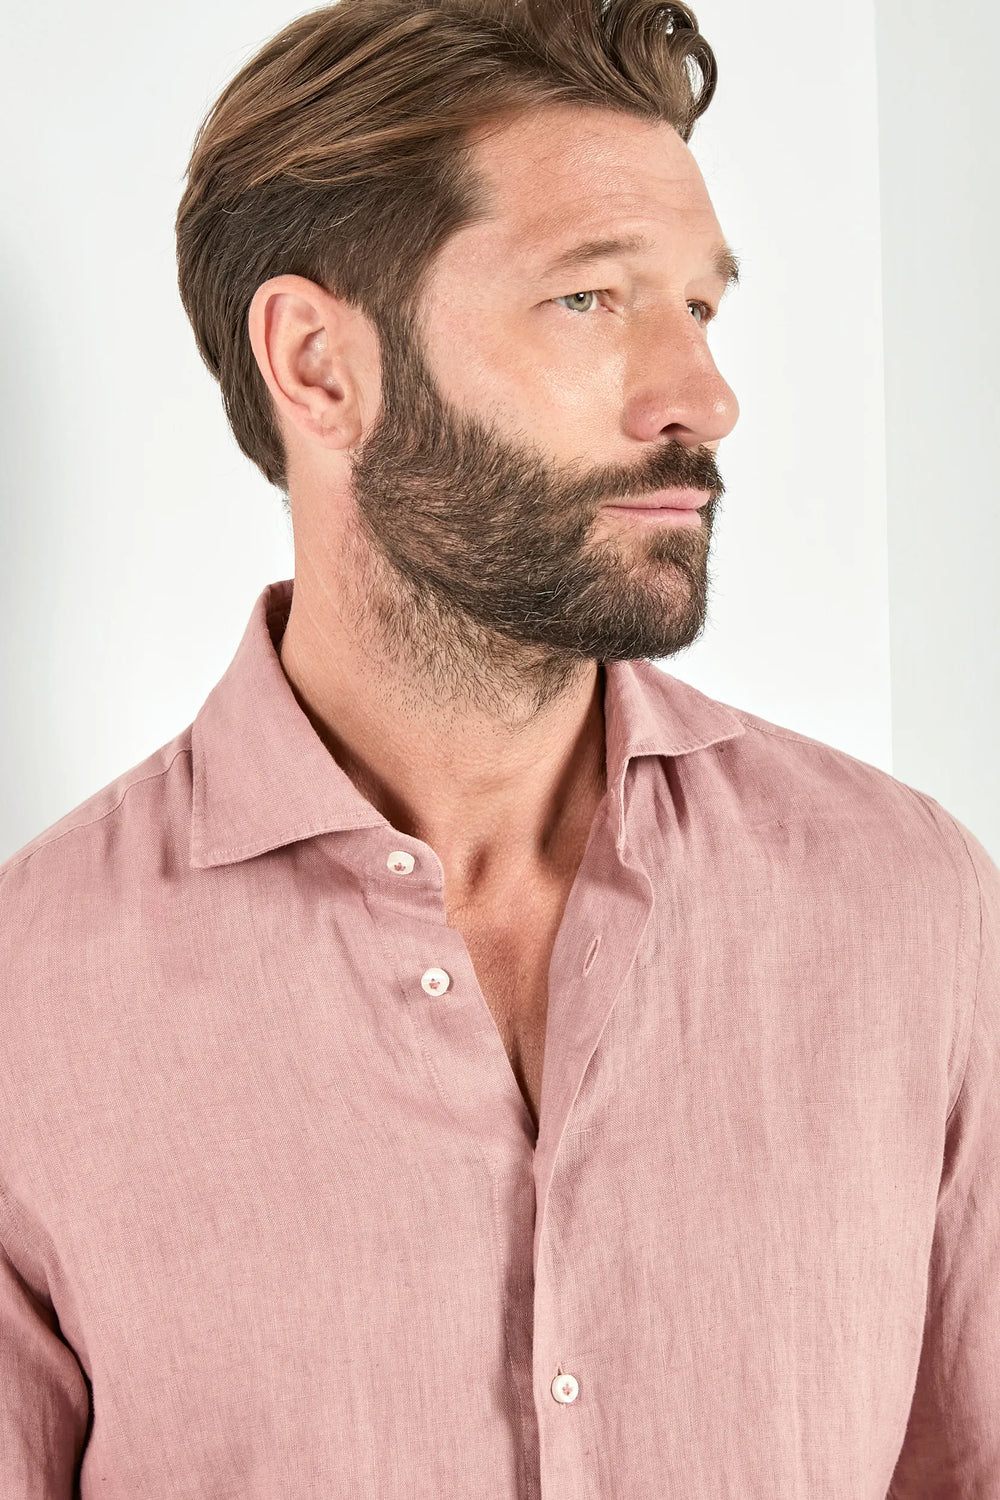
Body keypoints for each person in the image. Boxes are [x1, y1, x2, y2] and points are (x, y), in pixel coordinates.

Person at [1, 0, 997, 1493]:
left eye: (701, 307)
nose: (703, 397)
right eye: (592, 299)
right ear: (321, 365)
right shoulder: (33, 999)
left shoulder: (905, 899)